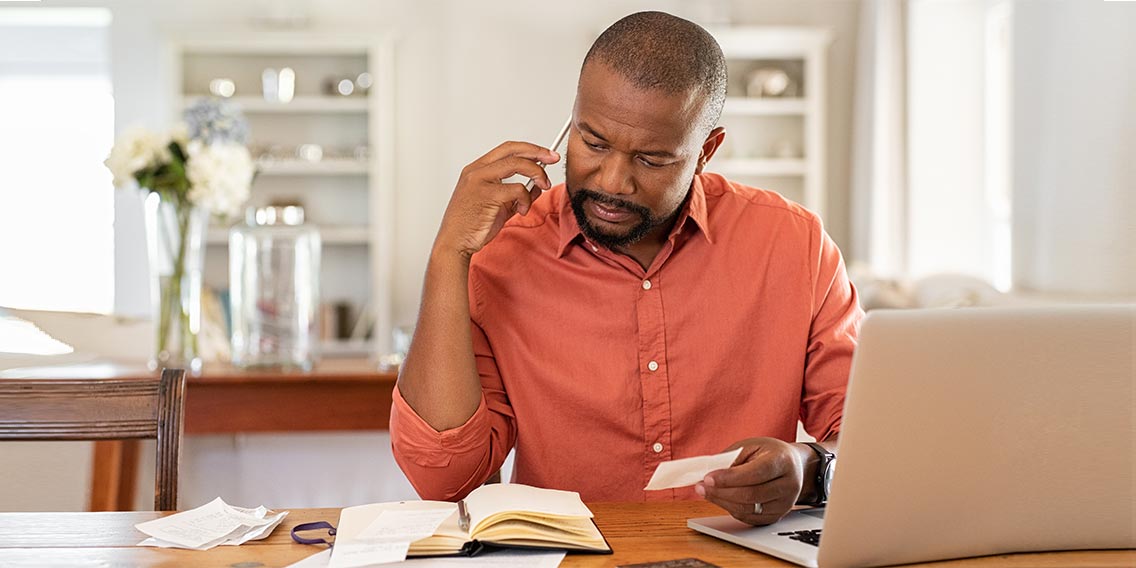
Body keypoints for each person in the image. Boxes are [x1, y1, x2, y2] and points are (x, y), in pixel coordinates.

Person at [391, 11, 862, 527]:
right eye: (593, 142)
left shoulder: (796, 246)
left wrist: (809, 465)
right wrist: (448, 256)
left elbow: (870, 440)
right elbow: (445, 481)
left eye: (653, 159)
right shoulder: (502, 253)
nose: (613, 182)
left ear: (705, 151)